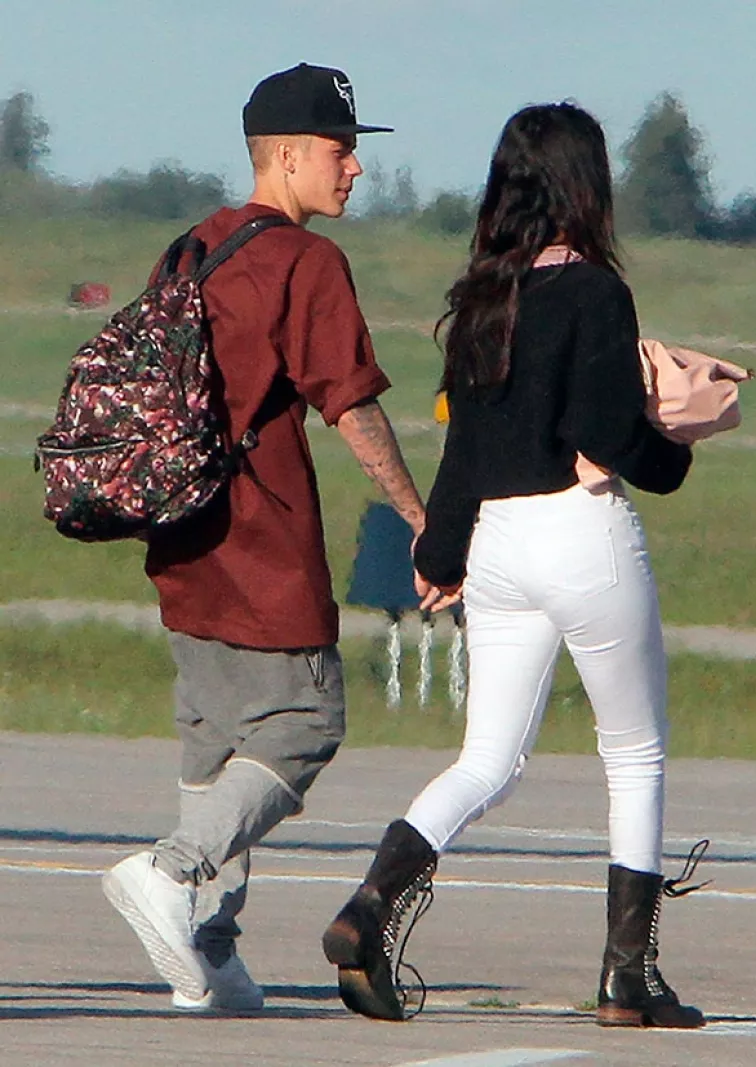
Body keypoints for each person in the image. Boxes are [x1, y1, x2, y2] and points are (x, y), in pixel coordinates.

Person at [323, 102, 707, 1029]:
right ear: (587, 185)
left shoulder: (484, 298)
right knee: (636, 751)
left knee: (487, 758)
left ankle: (371, 902)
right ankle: (628, 978)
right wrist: (679, 449)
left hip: (495, 542)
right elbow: (607, 434)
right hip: (581, 534)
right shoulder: (597, 294)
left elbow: (463, 454)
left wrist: (440, 553)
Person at [102, 62, 426, 1014]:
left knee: (216, 740)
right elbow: (351, 405)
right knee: (304, 723)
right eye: (341, 148)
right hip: (262, 536)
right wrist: (417, 514)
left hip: (179, 535)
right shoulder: (305, 263)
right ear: (286, 156)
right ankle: (173, 872)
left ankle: (207, 948)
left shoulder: (187, 249)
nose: (355, 167)